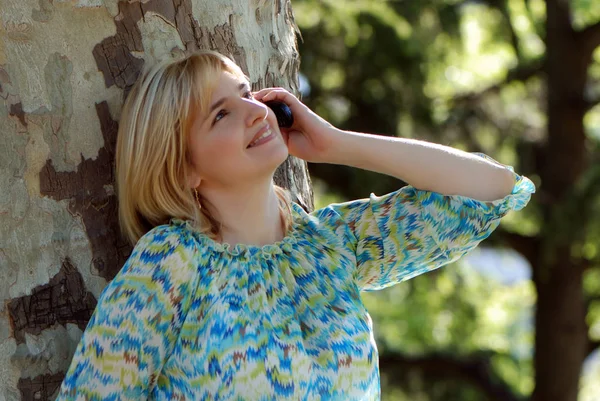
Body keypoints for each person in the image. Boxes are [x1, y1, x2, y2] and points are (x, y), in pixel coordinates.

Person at [56, 50, 534, 401]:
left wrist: (339, 144)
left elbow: (492, 189)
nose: (254, 113)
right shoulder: (171, 261)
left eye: (247, 95)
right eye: (221, 113)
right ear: (183, 168)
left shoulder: (329, 246)